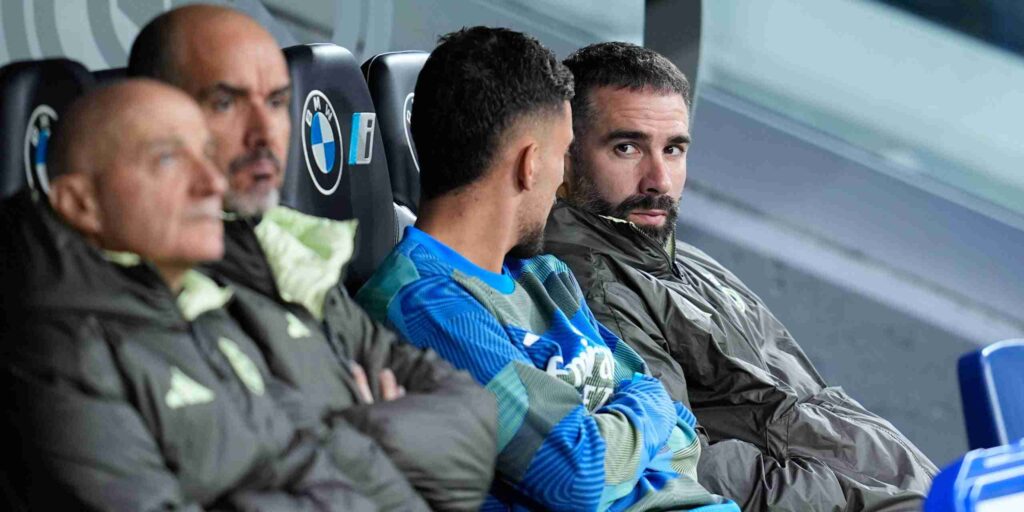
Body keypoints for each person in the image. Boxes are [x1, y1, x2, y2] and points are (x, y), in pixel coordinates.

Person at [127, 6, 497, 510]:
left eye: (278, 101)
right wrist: (369, 435)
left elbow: (472, 427)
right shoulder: (109, 310)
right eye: (225, 102)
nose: (264, 131)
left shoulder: (291, 259)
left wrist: (334, 442)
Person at [542, 41, 938, 511]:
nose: (659, 180)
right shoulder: (596, 287)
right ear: (565, 155)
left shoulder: (674, 255)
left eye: (673, 149)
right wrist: (888, 502)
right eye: (627, 147)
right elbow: (687, 470)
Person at [356, 26, 738, 512]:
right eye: (562, 155)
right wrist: (641, 417)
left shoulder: (546, 277)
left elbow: (684, 434)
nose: (562, 180)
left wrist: (623, 427)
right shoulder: (429, 306)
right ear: (531, 165)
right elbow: (581, 478)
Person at [0, 79, 387, 510]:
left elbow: (316, 464)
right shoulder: (57, 353)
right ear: (80, 202)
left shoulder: (206, 308)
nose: (213, 182)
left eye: (206, 154)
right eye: (167, 158)